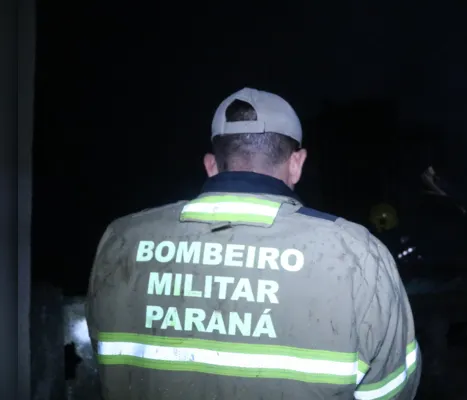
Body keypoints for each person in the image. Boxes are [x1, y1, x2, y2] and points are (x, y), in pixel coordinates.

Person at [86, 87, 421, 399]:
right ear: (296, 163)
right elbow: (391, 389)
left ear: (211, 166)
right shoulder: (357, 254)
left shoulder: (121, 240)